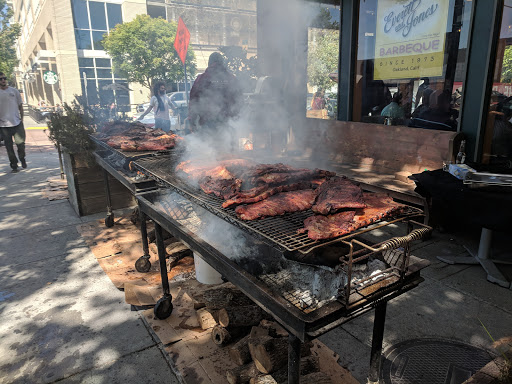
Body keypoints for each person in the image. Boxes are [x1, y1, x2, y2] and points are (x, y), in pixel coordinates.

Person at [188, 52, 243, 133]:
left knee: (209, 145)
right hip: (228, 124)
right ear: (222, 63)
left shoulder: (201, 78)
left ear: (209, 63)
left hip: (207, 125)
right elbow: (239, 101)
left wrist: (192, 121)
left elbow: (194, 101)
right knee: (228, 145)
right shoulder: (232, 79)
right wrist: (237, 119)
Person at [0, 73, 26, 172]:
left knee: (21, 143)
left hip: (17, 123)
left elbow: (20, 106)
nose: (3, 80)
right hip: (3, 125)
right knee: (9, 146)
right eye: (1, 79)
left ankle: (22, 158)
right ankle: (14, 164)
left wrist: (22, 119)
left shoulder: (14, 91)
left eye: (4, 78)